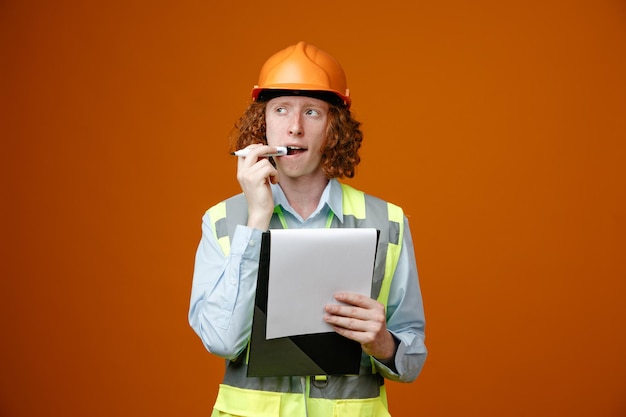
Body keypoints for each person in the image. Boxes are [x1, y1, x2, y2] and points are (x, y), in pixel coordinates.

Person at [189, 41, 427, 417]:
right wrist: (256, 221)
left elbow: (412, 359)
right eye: (281, 110)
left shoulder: (389, 222)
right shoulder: (222, 221)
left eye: (312, 112)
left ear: (334, 128)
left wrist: (383, 343)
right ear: (262, 123)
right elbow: (221, 340)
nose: (295, 128)